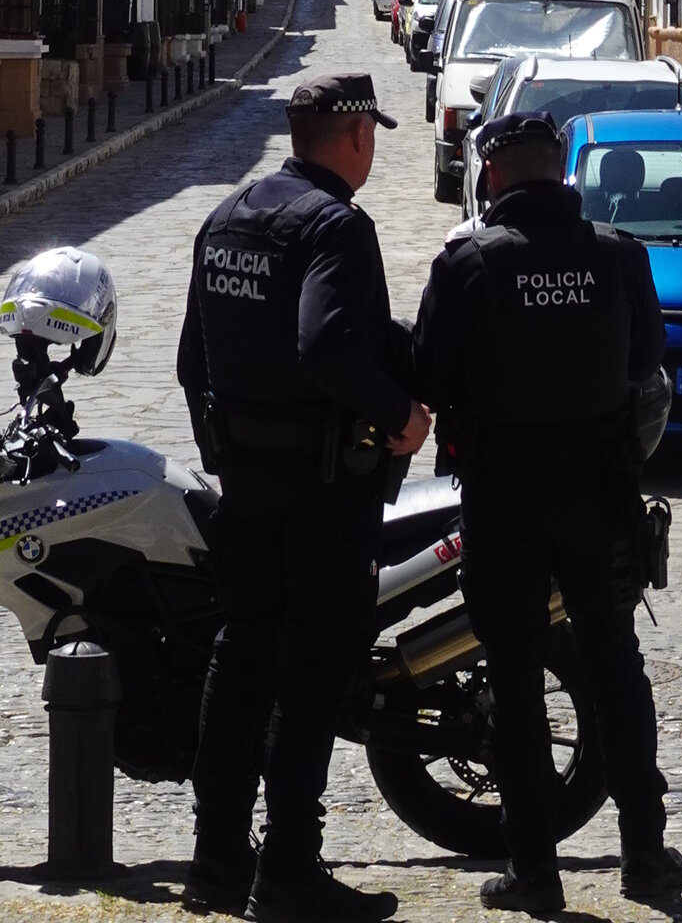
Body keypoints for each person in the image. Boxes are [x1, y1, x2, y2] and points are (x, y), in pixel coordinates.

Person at [176, 68, 431, 923]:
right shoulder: (336, 227)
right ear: (356, 138)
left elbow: (191, 363)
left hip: (249, 485)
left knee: (240, 660)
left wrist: (228, 456)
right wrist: (400, 414)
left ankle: (214, 862)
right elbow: (325, 345)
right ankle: (287, 867)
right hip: (323, 493)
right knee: (313, 674)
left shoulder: (228, 217)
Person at [413, 112, 682, 916]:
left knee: (515, 684)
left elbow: (428, 374)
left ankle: (535, 871)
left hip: (504, 498)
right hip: (598, 496)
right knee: (616, 675)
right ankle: (644, 857)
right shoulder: (617, 257)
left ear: (494, 175)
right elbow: (645, 362)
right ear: (564, 168)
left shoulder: (469, 263)